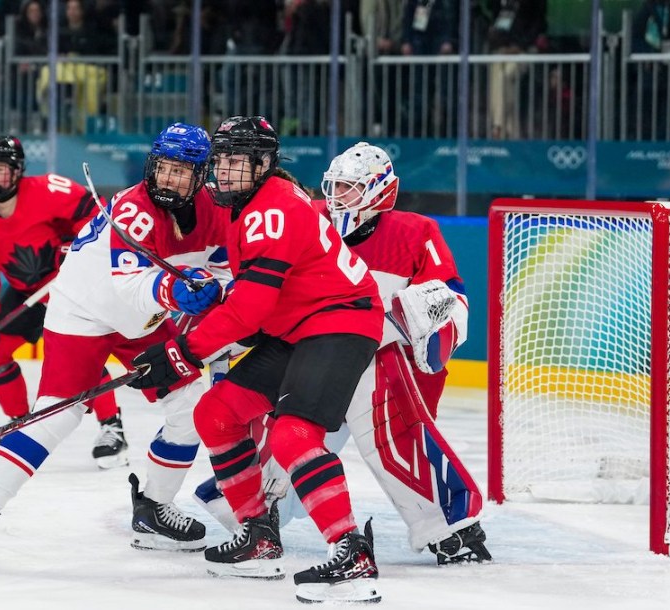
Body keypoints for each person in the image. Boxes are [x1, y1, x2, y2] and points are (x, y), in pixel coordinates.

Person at [0, 122, 231, 570]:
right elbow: (132, 283)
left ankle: (153, 509)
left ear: (201, 175)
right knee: (59, 414)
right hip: (83, 312)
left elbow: (221, 266)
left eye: (182, 170)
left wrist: (219, 289)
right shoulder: (135, 208)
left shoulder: (215, 210)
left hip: (142, 319)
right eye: (164, 168)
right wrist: (180, 294)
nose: (169, 179)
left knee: (192, 405)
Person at [195, 142, 491, 568]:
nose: (337, 198)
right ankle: (261, 514)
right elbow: (262, 279)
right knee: (290, 435)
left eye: (350, 188)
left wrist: (420, 322)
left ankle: (450, 529)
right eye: (334, 186)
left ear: (380, 192)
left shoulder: (415, 232)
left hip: (382, 357)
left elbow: (450, 299)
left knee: (393, 438)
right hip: (316, 347)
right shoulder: (310, 217)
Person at [128, 117, 386, 604]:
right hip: (297, 327)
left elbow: (249, 310)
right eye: (220, 162)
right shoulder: (247, 206)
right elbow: (250, 294)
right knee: (215, 414)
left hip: (340, 322)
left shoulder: (272, 208)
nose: (224, 173)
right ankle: (258, 537)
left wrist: (181, 353)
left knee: (292, 434)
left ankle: (352, 554)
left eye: (236, 163)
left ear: (264, 164)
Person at [0, 134, 125, 464]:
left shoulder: (51, 190)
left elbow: (99, 218)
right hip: (26, 294)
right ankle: (21, 423)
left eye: (1, 169)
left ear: (18, 171)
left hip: (70, 289)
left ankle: (112, 428)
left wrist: (74, 251)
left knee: (80, 357)